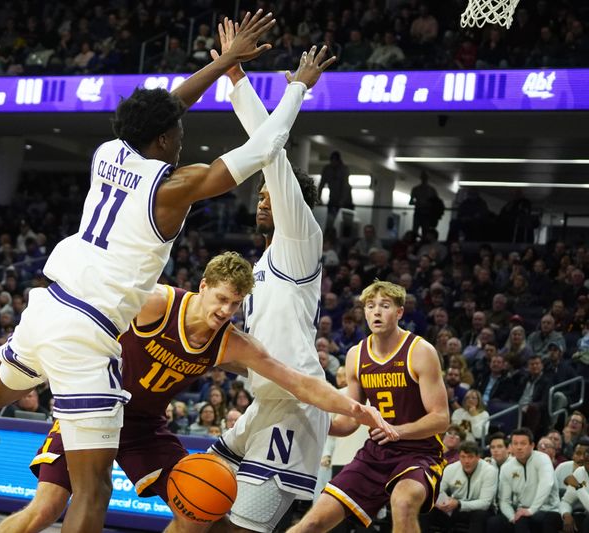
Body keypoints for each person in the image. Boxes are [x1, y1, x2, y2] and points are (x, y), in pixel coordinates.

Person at [0, 13, 326, 533]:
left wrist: (223, 64)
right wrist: (297, 91)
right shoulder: (171, 189)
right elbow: (263, 149)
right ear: (161, 141)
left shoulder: (109, 151)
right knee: (93, 489)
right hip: (87, 333)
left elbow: (166, 106)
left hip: (47, 307)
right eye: (177, 132)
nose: (181, 133)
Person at [0, 253, 388, 533]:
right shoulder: (154, 304)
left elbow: (300, 382)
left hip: (143, 429)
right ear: (202, 287)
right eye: (220, 298)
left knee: (199, 512)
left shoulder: (231, 342)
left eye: (235, 304)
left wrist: (358, 410)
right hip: (95, 410)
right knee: (47, 507)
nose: (225, 310)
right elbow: (81, 311)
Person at [193, 21, 353, 533]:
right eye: (259, 197)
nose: (261, 199)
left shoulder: (300, 240)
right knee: (194, 506)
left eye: (269, 195)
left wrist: (254, 81)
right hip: (263, 401)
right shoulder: (261, 265)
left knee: (241, 530)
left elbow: (272, 152)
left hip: (295, 408)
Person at [289, 280, 450, 533]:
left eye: (384, 306)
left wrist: (396, 430)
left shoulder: (420, 351)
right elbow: (351, 421)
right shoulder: (356, 355)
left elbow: (441, 419)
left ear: (399, 312)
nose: (376, 312)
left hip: (420, 452)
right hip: (375, 454)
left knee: (403, 502)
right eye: (370, 306)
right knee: (312, 522)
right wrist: (315, 423)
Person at [487, 427, 561, 532]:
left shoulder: (542, 459)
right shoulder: (507, 467)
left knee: (525, 520)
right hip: (522, 512)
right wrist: (512, 517)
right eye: (515, 444)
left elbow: (546, 484)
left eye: (523, 443)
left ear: (532, 446)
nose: (519, 447)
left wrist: (531, 510)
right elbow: (504, 500)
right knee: (494, 522)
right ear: (511, 447)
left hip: (549, 510)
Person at [422, 441, 497, 533]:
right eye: (463, 457)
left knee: (479, 515)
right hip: (454, 508)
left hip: (478, 510)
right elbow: (438, 491)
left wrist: (459, 504)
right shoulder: (451, 468)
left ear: (478, 457)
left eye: (470, 457)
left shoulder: (489, 471)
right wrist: (440, 502)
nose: (466, 461)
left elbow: (485, 503)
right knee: (426, 509)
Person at [318, 151, 353, 228]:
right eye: (332, 161)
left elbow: (345, 186)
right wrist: (318, 198)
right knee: (329, 223)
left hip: (346, 200)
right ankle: (328, 237)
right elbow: (321, 184)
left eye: (334, 161)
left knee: (347, 224)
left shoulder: (344, 169)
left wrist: (342, 201)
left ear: (338, 161)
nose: (333, 163)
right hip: (334, 199)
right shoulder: (327, 169)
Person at [409, 171, 443, 237]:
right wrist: (419, 203)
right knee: (415, 231)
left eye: (425, 177)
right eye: (423, 177)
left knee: (425, 232)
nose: (424, 179)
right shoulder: (416, 189)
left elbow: (436, 203)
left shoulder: (431, 190)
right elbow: (411, 202)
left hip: (427, 213)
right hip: (419, 212)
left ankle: (423, 243)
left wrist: (426, 204)